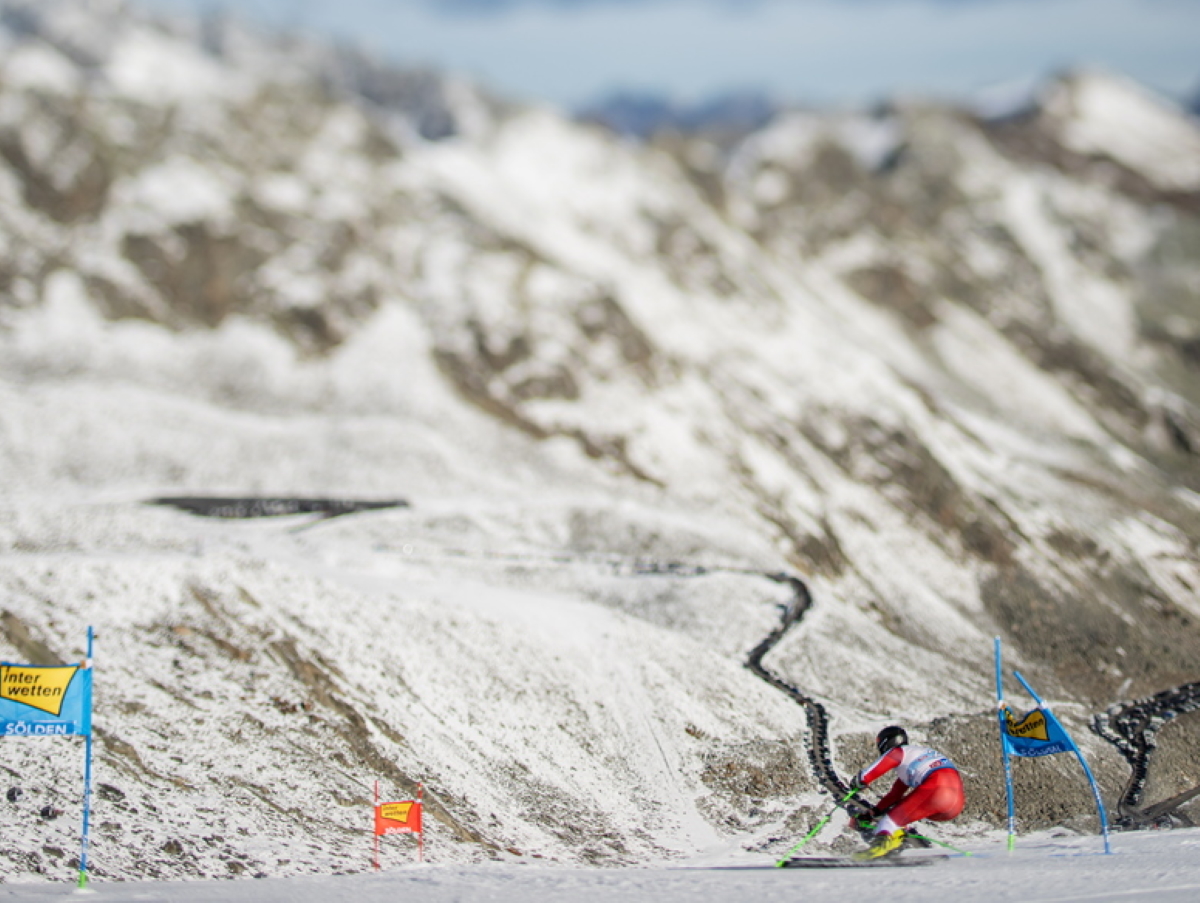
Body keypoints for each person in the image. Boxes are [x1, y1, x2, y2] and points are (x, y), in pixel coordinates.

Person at [848, 725, 965, 860]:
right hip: (955, 800)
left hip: (937, 787)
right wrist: (873, 812)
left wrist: (860, 780)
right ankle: (895, 839)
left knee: (890, 821)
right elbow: (894, 795)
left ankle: (877, 851)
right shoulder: (916, 755)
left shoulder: (899, 752)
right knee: (900, 816)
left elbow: (871, 772)